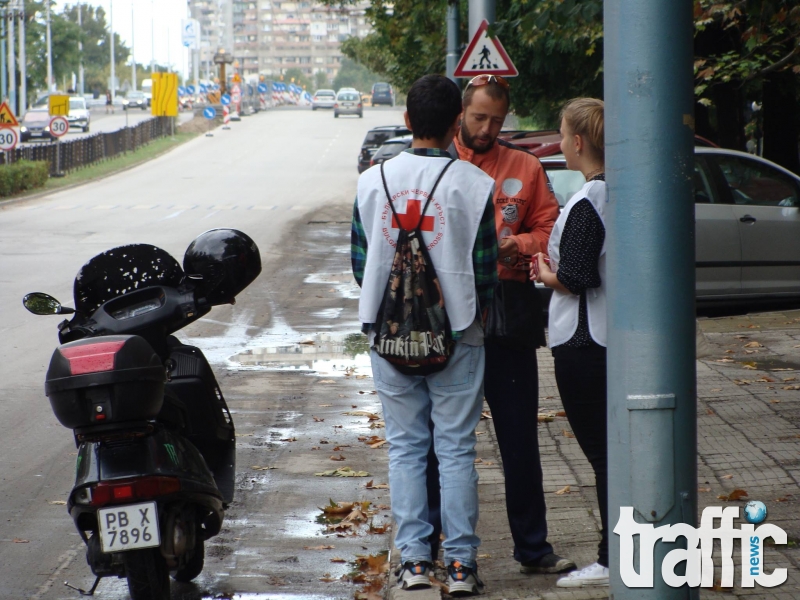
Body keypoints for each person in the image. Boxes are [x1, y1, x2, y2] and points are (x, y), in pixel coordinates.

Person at [351, 74, 498, 596]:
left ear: (408, 121)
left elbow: (359, 261)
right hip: (459, 334)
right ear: (457, 123)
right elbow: (484, 270)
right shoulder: (475, 185)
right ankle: (460, 566)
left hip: (388, 336)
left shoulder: (372, 181)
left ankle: (413, 562)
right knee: (456, 450)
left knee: (406, 449)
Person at [449, 73, 575, 576]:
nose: (486, 128)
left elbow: (549, 224)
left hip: (509, 312)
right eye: (479, 118)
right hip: (453, 317)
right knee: (450, 442)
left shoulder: (524, 165)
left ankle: (534, 548)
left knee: (520, 437)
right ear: (461, 112)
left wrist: (518, 244)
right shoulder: (445, 164)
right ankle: (446, 551)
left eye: (496, 121)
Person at [530, 97, 609, 588]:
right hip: (602, 337)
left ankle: (611, 557)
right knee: (610, 453)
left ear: (578, 143)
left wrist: (544, 274)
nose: (559, 144)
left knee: (602, 456)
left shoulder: (587, 202)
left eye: (561, 135)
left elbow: (577, 277)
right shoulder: (616, 192)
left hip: (583, 342)